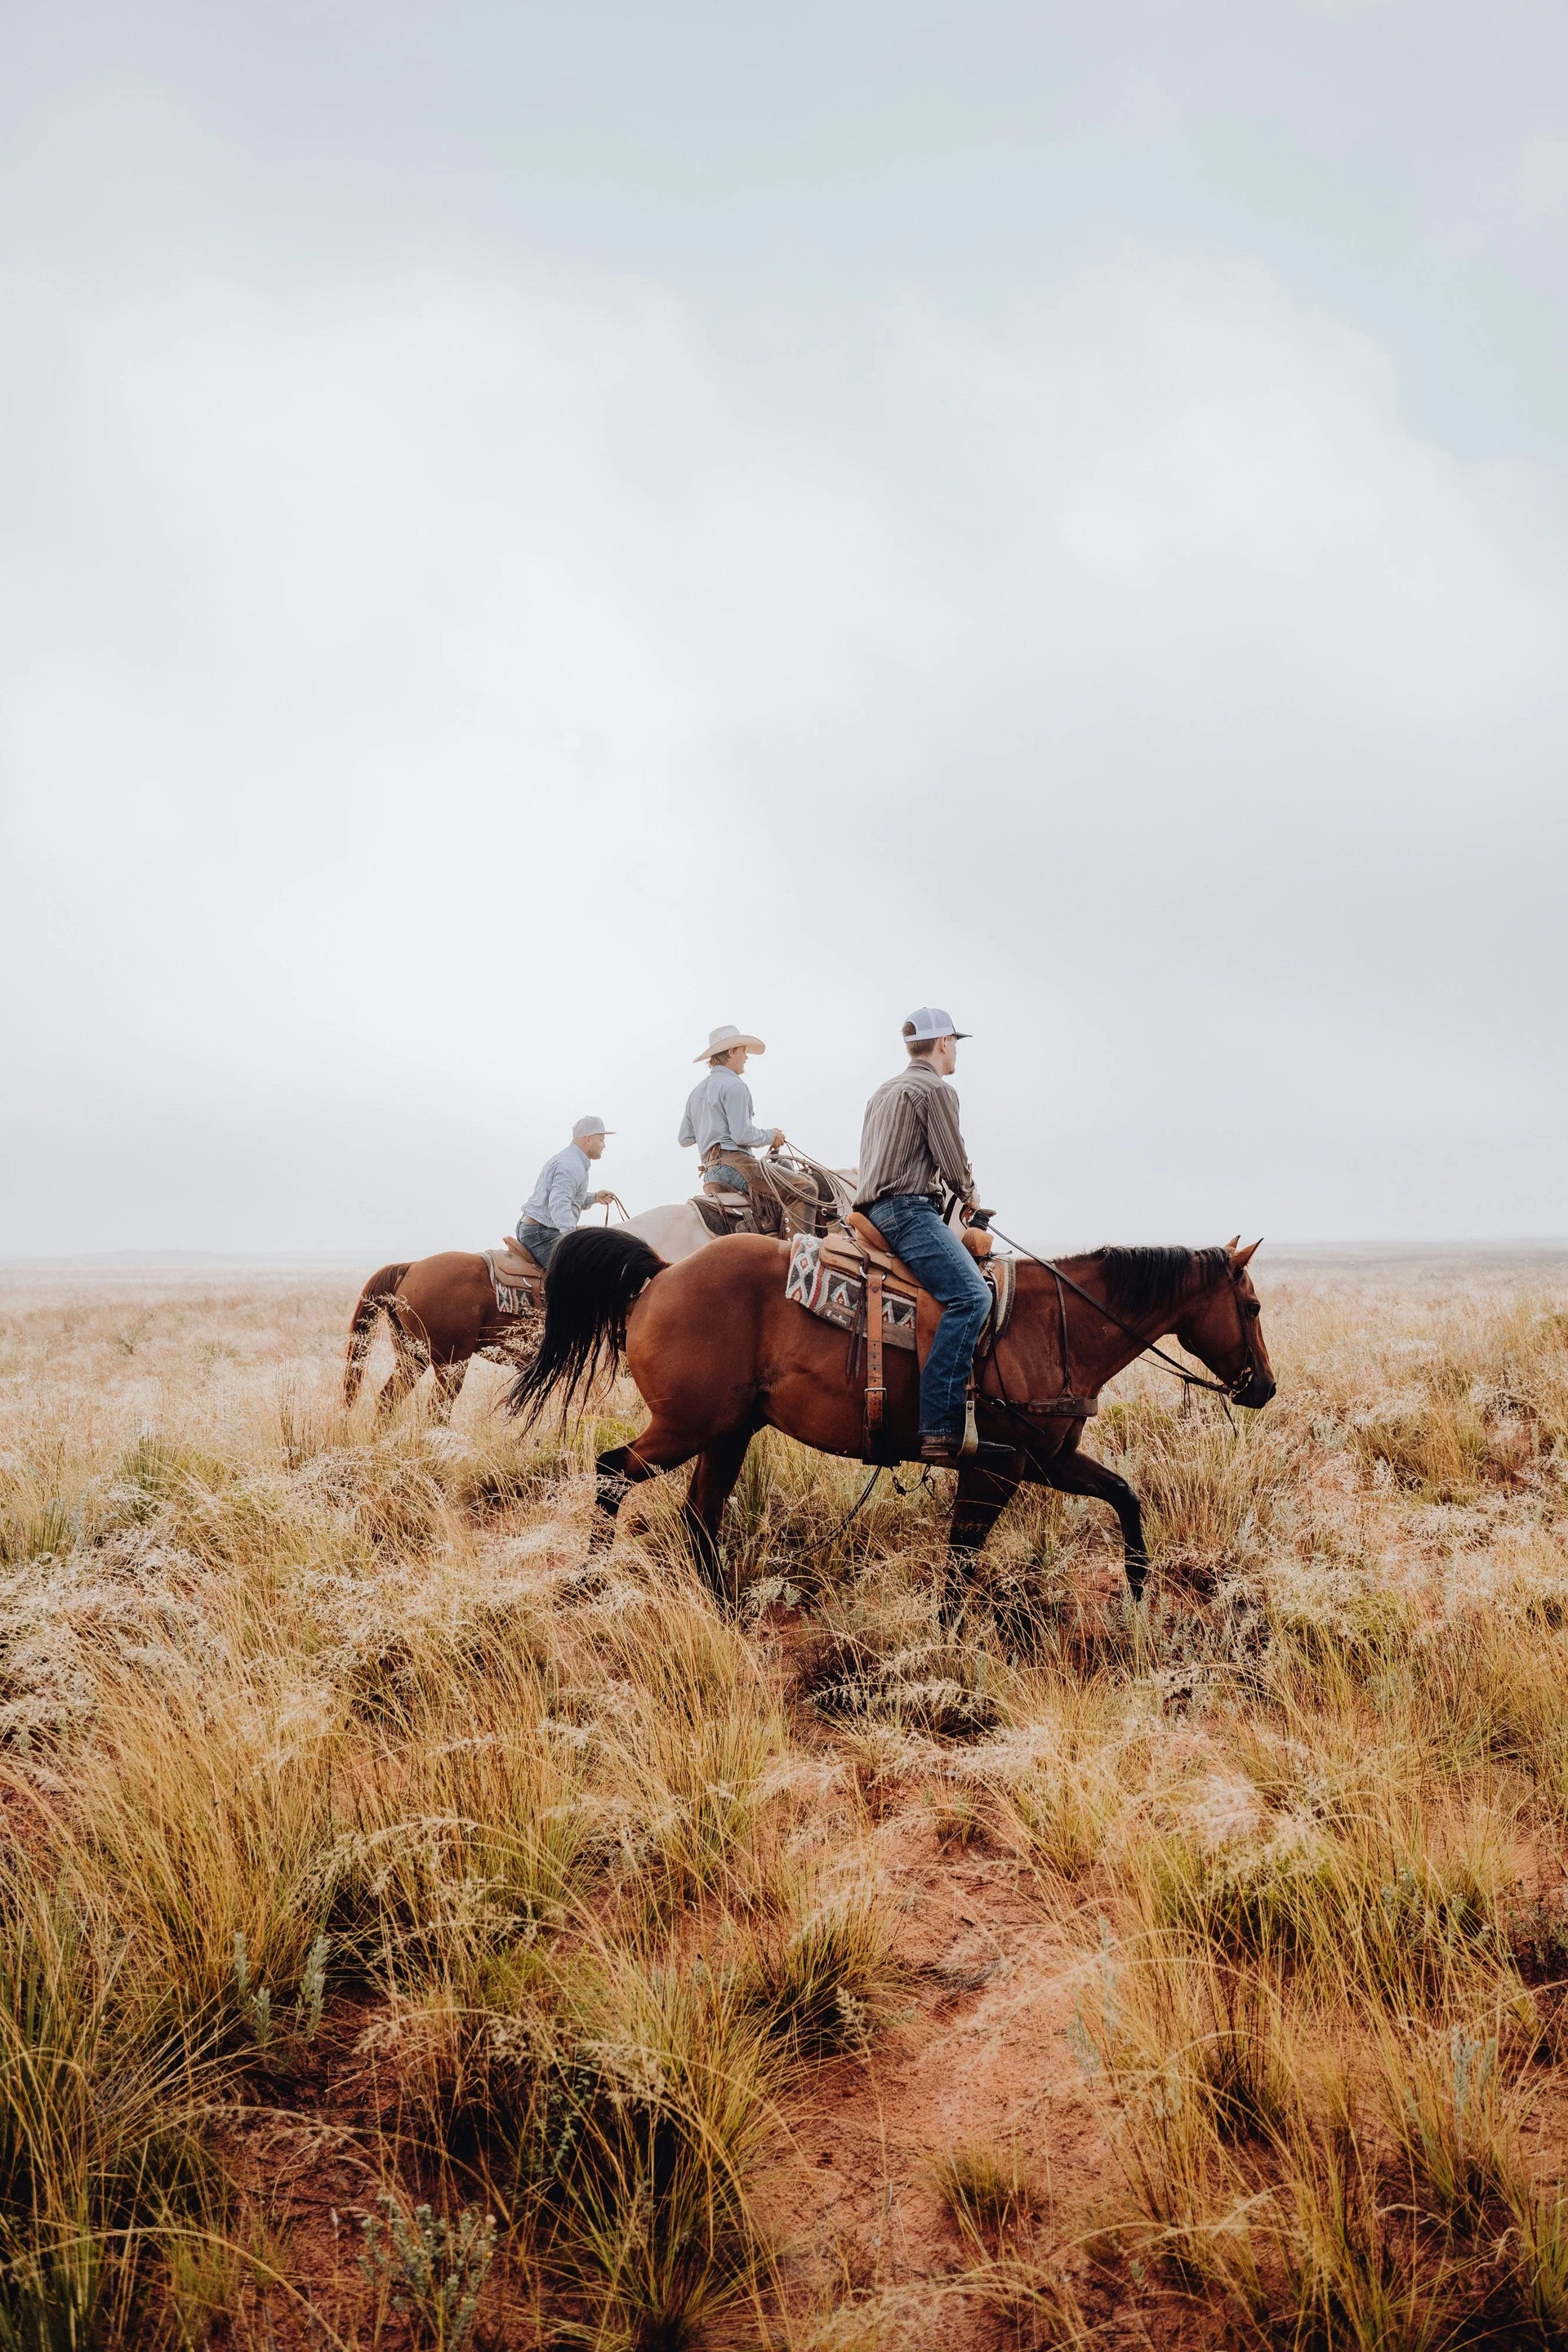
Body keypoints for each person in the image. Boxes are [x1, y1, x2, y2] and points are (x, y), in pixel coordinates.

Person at [855, 1008, 991, 1466]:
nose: (956, 1052)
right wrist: (970, 1197)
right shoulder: (936, 1090)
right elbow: (954, 1162)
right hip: (908, 1212)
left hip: (873, 1208)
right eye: (956, 1043)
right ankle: (939, 1426)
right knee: (972, 1296)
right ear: (944, 1043)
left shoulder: (883, 1091)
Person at [679, 1025, 791, 1233]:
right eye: (743, 1051)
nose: (746, 1057)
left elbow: (684, 1138)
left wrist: (709, 1128)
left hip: (711, 1173)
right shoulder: (735, 1085)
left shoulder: (696, 1093)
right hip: (736, 1166)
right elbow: (742, 1134)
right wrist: (772, 1135)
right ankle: (803, 1256)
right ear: (731, 1052)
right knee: (803, 1189)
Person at [516, 1116, 615, 1267]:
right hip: (541, 1234)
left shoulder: (572, 1161)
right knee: (579, 1274)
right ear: (589, 1140)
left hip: (539, 1229)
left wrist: (595, 1197)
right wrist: (573, 1237)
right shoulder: (571, 1166)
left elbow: (568, 1198)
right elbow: (559, 1205)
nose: (604, 1146)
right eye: (601, 1140)